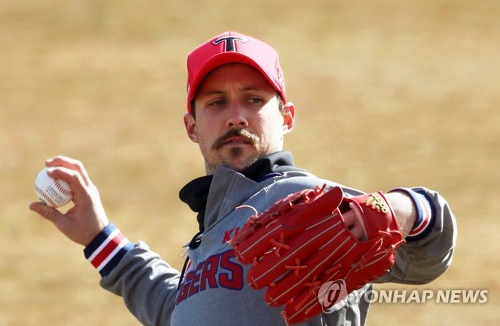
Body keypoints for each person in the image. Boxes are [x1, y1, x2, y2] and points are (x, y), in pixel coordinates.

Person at [30, 31, 457, 326]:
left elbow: (426, 258)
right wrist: (98, 237)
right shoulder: (209, 235)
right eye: (216, 102)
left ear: (287, 117)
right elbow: (179, 312)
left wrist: (405, 209)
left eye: (254, 99)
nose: (236, 116)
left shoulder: (310, 202)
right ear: (192, 127)